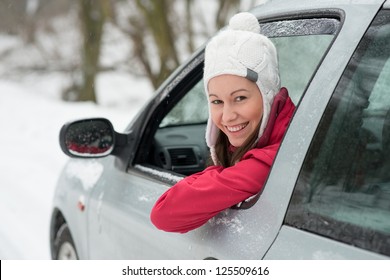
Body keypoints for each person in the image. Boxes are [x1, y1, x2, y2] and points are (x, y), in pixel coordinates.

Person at [150, 12, 295, 233]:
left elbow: (163, 214)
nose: (227, 116)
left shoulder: (271, 161)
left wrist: (217, 172)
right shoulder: (288, 135)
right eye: (217, 101)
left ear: (268, 96)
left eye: (240, 98)